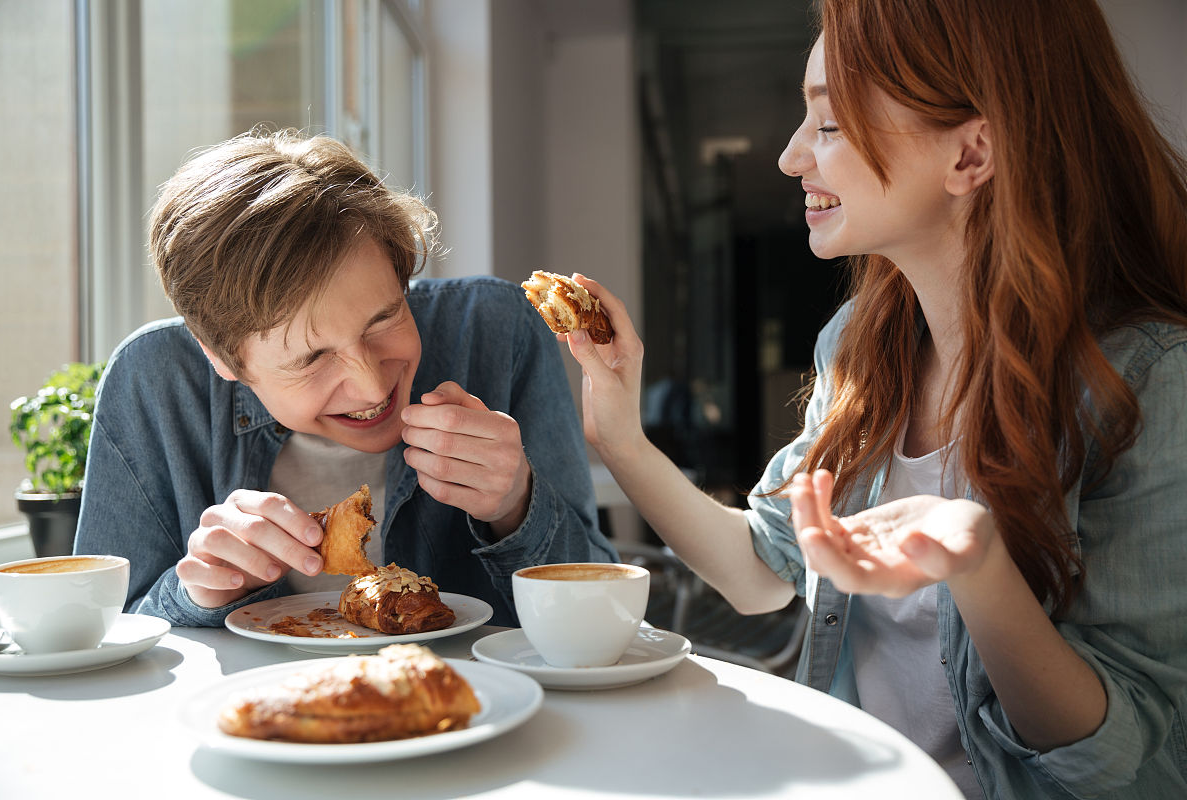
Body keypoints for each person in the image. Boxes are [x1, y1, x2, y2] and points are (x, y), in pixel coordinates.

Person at [561, 1, 1187, 797]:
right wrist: (619, 435)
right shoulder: (859, 343)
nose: (790, 157)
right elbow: (763, 572)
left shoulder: (1152, 383)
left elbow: (1115, 764)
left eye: (828, 124)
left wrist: (977, 564)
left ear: (971, 154)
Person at [74, 129, 617, 628]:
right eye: (311, 358)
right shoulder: (153, 382)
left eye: (385, 319)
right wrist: (196, 593)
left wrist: (516, 504)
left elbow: (604, 611)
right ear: (221, 357)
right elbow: (98, 637)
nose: (371, 387)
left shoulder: (496, 332)